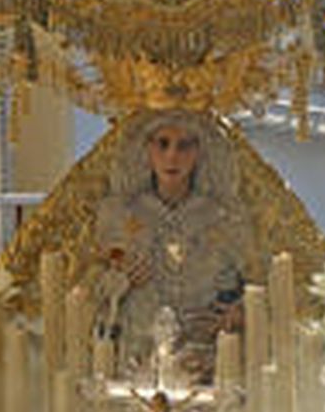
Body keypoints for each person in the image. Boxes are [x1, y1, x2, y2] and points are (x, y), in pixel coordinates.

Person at [86, 110, 265, 381]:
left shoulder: (226, 217)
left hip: (205, 362)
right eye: (163, 144)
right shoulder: (119, 214)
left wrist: (238, 313)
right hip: (138, 359)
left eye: (184, 146)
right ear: (147, 148)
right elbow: (87, 289)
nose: (172, 156)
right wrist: (117, 282)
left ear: (199, 151)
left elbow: (260, 284)